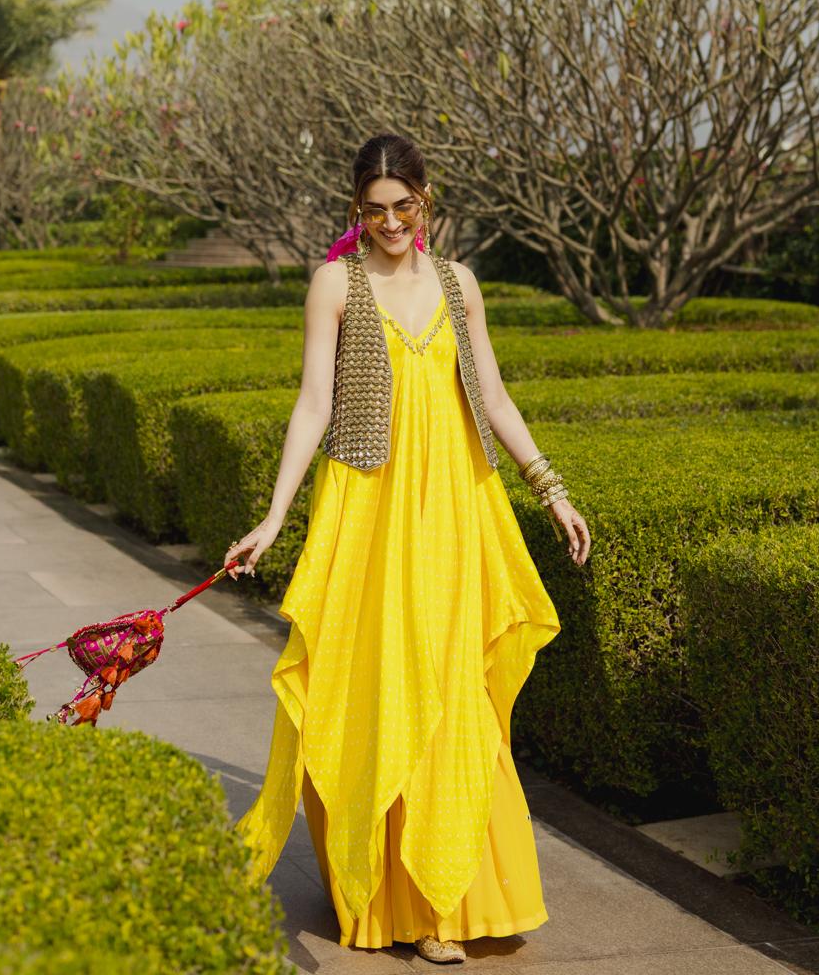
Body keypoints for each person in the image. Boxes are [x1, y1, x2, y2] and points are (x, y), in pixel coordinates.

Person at [224, 134, 591, 964]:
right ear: (356, 209)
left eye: (404, 206)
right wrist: (275, 517)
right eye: (374, 210)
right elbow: (312, 404)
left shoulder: (459, 284)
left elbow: (492, 395)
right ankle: (389, 895)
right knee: (381, 687)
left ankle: (444, 903)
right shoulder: (335, 284)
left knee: (452, 691)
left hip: (457, 508)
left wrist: (551, 490)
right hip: (369, 510)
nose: (390, 223)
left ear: (426, 198)